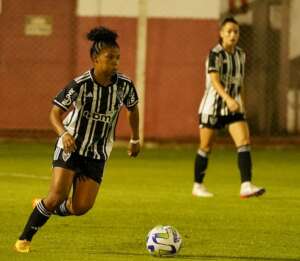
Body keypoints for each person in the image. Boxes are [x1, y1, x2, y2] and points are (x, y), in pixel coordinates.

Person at [14, 26, 140, 253]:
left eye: (118, 58)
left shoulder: (125, 85)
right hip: (71, 146)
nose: (115, 63)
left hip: (97, 152)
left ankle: (43, 207)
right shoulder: (81, 84)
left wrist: (135, 138)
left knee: (81, 207)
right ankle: (24, 239)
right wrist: (64, 134)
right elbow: (54, 113)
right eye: (109, 58)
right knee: (56, 196)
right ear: (94, 59)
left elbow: (133, 109)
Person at [192, 17, 265, 198]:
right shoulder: (215, 55)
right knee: (206, 147)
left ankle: (246, 185)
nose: (233, 35)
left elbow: (239, 81)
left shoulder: (241, 54)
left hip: (233, 108)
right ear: (221, 33)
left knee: (244, 143)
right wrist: (228, 99)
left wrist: (241, 102)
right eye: (229, 31)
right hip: (213, 107)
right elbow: (214, 81)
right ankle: (197, 186)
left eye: (236, 32)